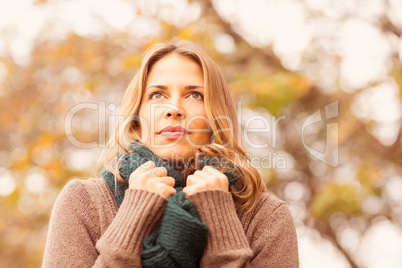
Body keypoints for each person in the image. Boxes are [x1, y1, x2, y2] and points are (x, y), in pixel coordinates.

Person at [42, 41, 299, 267]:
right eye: (157, 95)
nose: (174, 108)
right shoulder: (84, 202)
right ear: (136, 119)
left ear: (216, 117)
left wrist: (222, 227)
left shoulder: (265, 216)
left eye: (194, 95)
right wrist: (131, 220)